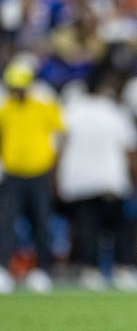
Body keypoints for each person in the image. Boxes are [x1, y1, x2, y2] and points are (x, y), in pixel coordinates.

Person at [56, 64, 137, 290]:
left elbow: (59, 148)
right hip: (110, 181)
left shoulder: (70, 111)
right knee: (119, 228)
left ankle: (89, 271)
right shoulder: (115, 111)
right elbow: (132, 151)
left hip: (78, 182)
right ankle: (122, 268)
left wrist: (56, 181)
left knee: (86, 228)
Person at [0, 58, 65, 293]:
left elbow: (61, 135)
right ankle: (3, 270)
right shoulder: (4, 109)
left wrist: (55, 169)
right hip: (13, 174)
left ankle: (42, 271)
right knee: (6, 223)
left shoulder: (43, 106)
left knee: (42, 223)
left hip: (39, 173)